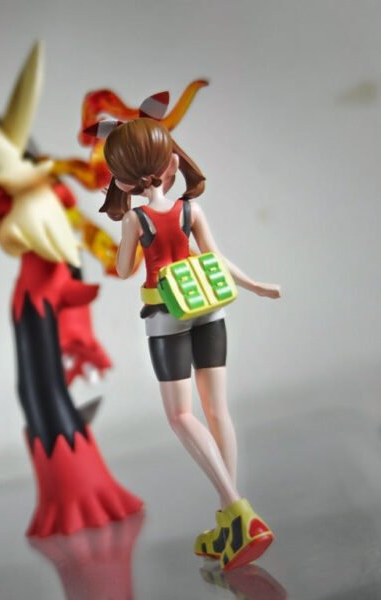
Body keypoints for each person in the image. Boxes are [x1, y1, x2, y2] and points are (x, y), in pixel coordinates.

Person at [100, 116, 280, 570]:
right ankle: (229, 523)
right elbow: (215, 258)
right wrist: (255, 285)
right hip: (210, 307)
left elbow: (123, 270)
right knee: (217, 412)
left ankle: (240, 513)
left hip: (168, 314)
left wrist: (126, 229)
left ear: (123, 180)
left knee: (181, 416)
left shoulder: (136, 219)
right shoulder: (190, 211)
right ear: (172, 164)